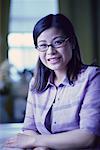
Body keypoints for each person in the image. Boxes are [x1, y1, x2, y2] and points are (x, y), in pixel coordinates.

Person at [4, 13, 100, 150]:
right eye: (43, 45)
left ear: (72, 42)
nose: (50, 51)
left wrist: (36, 141)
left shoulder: (92, 77)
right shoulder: (36, 84)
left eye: (58, 42)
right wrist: (41, 147)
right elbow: (29, 129)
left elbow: (87, 136)